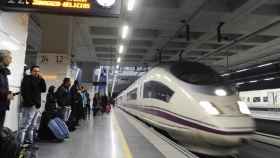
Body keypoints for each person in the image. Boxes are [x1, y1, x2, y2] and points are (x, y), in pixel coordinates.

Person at [20, 65, 46, 145]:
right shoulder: (27, 78)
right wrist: (31, 103)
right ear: (31, 71)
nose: (37, 73)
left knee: (32, 125)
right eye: (35, 71)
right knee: (25, 124)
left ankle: (30, 142)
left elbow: (44, 89)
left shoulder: (39, 79)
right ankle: (20, 144)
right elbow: (25, 92)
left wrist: (42, 79)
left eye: (38, 71)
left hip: (36, 105)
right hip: (30, 105)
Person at [0, 50, 14, 135]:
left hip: (2, 105)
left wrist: (9, 93)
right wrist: (6, 95)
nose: (11, 60)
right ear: (3, 58)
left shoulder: (4, 72)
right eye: (9, 57)